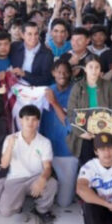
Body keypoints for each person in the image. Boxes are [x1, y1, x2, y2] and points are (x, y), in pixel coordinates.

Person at [0, 105, 58, 222]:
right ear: (21, 121)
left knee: (52, 184)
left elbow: (47, 167)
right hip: (15, 179)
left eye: (34, 119)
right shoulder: (10, 138)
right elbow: (4, 165)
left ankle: (41, 209)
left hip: (35, 177)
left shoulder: (44, 142)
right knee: (6, 211)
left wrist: (42, 179)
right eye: (27, 119)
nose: (30, 123)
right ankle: (18, 203)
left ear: (38, 122)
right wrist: (10, 146)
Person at [66, 55, 112, 166]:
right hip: (84, 136)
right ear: (85, 69)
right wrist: (81, 133)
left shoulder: (108, 86)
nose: (94, 70)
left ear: (100, 69)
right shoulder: (77, 87)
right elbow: (71, 114)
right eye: (90, 67)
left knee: (104, 167)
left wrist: (106, 130)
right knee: (87, 167)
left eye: (97, 67)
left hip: (104, 134)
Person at [41, 60, 77, 207]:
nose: (62, 75)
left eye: (65, 72)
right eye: (58, 71)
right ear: (53, 73)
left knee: (64, 202)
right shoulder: (45, 91)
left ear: (70, 73)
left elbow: (69, 123)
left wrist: (54, 102)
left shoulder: (77, 92)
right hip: (46, 150)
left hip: (66, 151)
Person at [9, 21, 53, 86]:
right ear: (22, 35)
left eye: (36, 34)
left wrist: (24, 74)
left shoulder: (47, 54)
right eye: (29, 34)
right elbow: (1, 52)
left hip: (34, 89)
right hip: (14, 86)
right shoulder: (15, 47)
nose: (33, 37)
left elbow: (46, 80)